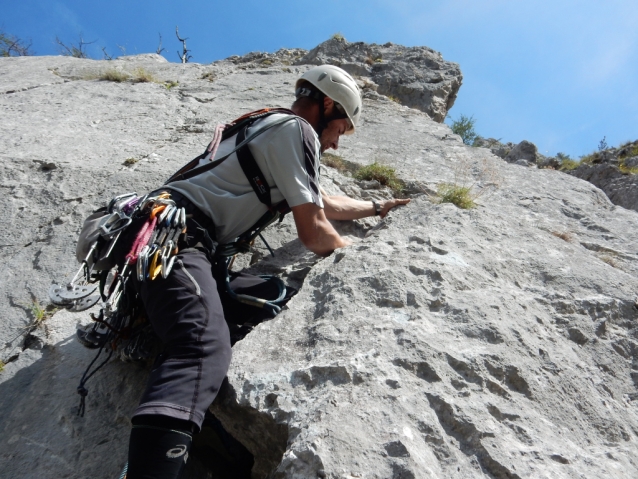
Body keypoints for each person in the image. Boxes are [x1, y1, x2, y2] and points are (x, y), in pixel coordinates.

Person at [124, 65, 410, 479]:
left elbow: (321, 200)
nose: (335, 143)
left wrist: (379, 207)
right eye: (341, 130)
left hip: (178, 245)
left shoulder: (272, 127)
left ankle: (206, 429)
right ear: (327, 106)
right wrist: (358, 260)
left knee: (269, 295)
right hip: (178, 240)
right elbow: (314, 231)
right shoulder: (298, 131)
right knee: (203, 345)